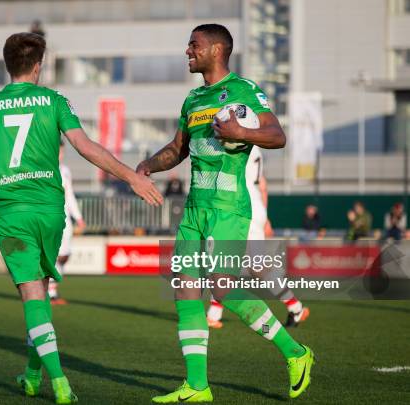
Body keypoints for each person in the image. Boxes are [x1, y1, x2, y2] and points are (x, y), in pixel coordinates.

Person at [0, 32, 162, 404]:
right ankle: (33, 374)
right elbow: (86, 148)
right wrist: (131, 176)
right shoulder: (54, 101)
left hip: (11, 211)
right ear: (38, 66)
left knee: (32, 293)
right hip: (51, 211)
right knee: (41, 295)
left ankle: (60, 381)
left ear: (8, 65)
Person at [137, 24, 314, 402]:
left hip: (228, 207)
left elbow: (277, 135)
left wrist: (241, 132)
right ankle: (197, 386)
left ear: (217, 50)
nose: (187, 50)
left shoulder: (244, 91)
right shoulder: (193, 99)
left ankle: (297, 353)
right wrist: (147, 166)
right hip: (195, 208)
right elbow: (177, 148)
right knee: (185, 289)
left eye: (194, 45)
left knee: (223, 287)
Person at [207, 146, 310, 329]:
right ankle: (295, 307)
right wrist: (265, 216)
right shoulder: (254, 147)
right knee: (257, 267)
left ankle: (213, 314)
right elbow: (262, 185)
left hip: (241, 206)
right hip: (255, 206)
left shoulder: (235, 142)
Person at [48, 141, 85, 306]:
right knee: (53, 255)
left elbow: (69, 195)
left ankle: (50, 290)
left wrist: (78, 217)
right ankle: (51, 293)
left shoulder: (65, 171)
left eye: (61, 152)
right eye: (57, 152)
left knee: (64, 255)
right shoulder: (43, 170)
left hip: (65, 219)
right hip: (49, 218)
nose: (60, 155)